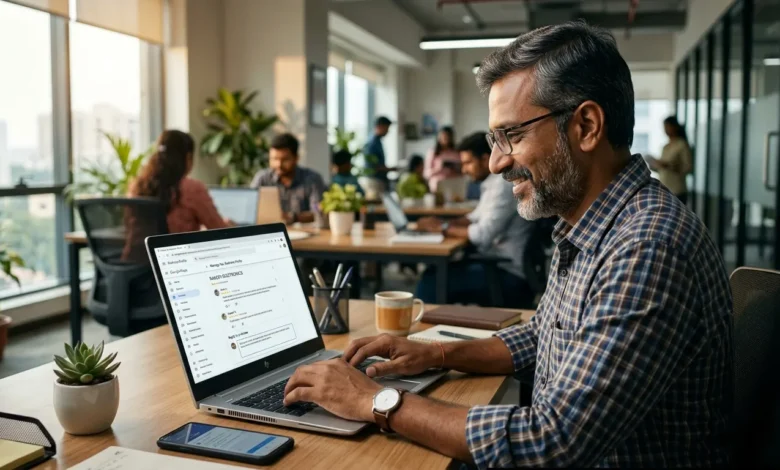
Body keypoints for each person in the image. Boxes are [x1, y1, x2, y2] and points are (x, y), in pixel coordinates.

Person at [282, 22, 733, 468]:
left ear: (587, 126)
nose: (496, 162)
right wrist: (435, 353)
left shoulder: (647, 245)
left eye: (511, 136)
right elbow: (545, 335)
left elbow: (551, 442)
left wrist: (376, 401)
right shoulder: (597, 223)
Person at [415, 132, 537, 307]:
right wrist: (440, 222)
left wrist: (442, 227)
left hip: (506, 273)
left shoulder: (504, 186)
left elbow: (483, 234)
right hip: (494, 264)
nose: (464, 169)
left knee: (431, 282)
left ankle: (422, 332)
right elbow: (474, 217)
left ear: (485, 158)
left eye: (468, 163)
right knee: (433, 273)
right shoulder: (493, 183)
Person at [130, 129, 229, 233]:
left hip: (140, 249)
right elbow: (220, 230)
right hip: (176, 249)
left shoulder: (138, 186)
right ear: (188, 157)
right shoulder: (192, 189)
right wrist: (229, 225)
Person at [250, 133, 326, 224]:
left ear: (296, 158)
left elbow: (317, 211)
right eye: (274, 159)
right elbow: (250, 208)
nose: (279, 165)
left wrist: (293, 217)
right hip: (270, 233)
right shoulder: (262, 178)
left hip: (304, 233)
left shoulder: (312, 179)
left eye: (285, 160)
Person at [645, 116, 693, 204]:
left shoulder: (682, 145)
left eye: (667, 126)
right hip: (664, 189)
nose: (666, 130)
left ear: (675, 127)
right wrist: (654, 165)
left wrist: (669, 166)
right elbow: (662, 169)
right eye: (664, 127)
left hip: (677, 190)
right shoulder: (665, 147)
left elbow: (688, 168)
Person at [424, 126, 461, 193]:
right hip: (438, 184)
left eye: (447, 136)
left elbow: (462, 171)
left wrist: (455, 168)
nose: (445, 138)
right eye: (443, 136)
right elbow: (426, 174)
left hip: (454, 183)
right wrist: (438, 168)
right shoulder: (433, 152)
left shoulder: (456, 152)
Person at [363, 116, 393, 187]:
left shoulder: (378, 141)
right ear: (380, 126)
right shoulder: (372, 143)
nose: (387, 131)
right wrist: (391, 169)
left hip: (379, 180)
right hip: (374, 181)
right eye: (386, 128)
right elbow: (373, 167)